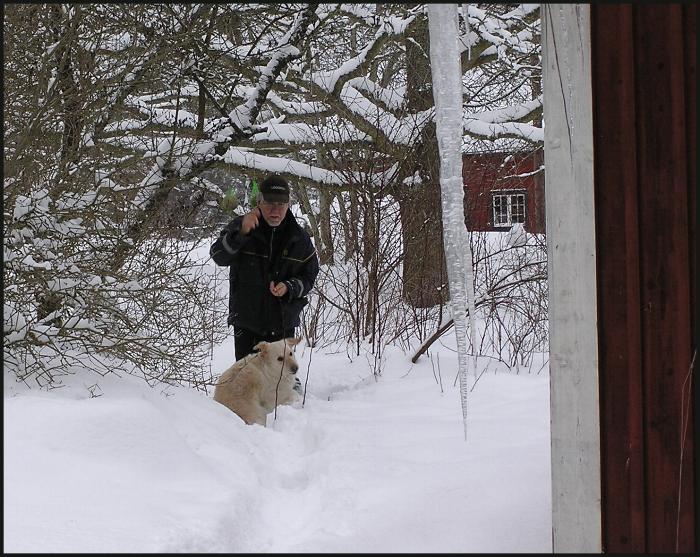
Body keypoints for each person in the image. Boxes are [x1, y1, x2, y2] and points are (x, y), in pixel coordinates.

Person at [210, 174, 319, 371]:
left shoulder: (299, 238)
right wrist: (241, 234)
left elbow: (310, 275)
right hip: (246, 320)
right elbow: (218, 256)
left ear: (289, 204)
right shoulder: (242, 226)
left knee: (280, 383)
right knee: (246, 380)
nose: (275, 210)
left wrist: (290, 286)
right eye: (269, 203)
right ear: (259, 202)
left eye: (281, 204)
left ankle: (291, 394)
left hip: (282, 322)